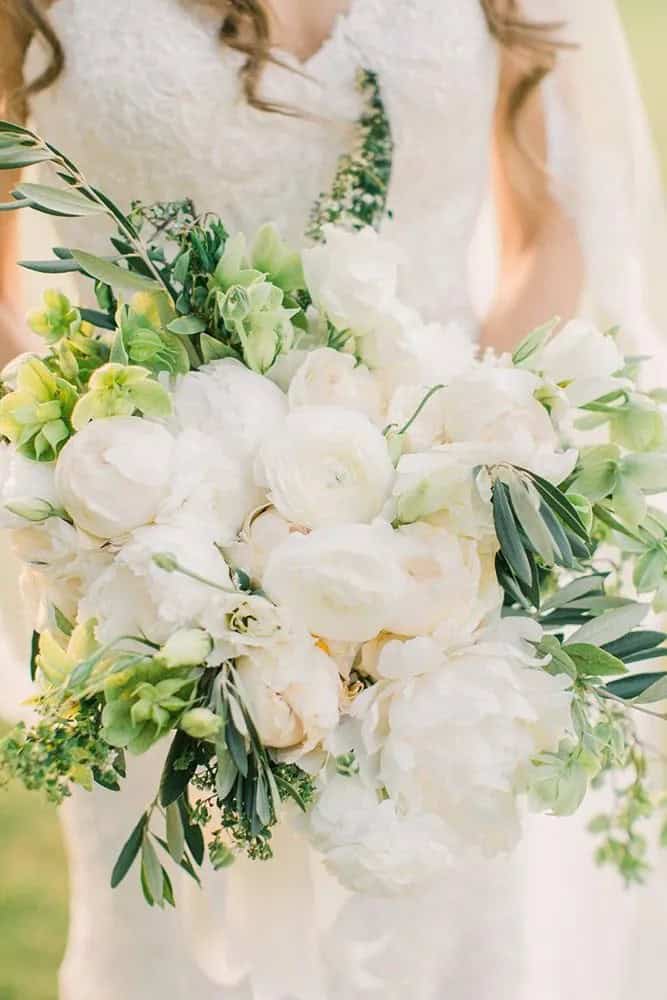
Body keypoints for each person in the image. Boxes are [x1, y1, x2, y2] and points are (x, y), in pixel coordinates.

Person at [0, 2, 665, 998]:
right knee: (175, 937)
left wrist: (459, 481)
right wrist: (90, 498)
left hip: (438, 589)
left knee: (427, 918)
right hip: (141, 584)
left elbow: (553, 224)